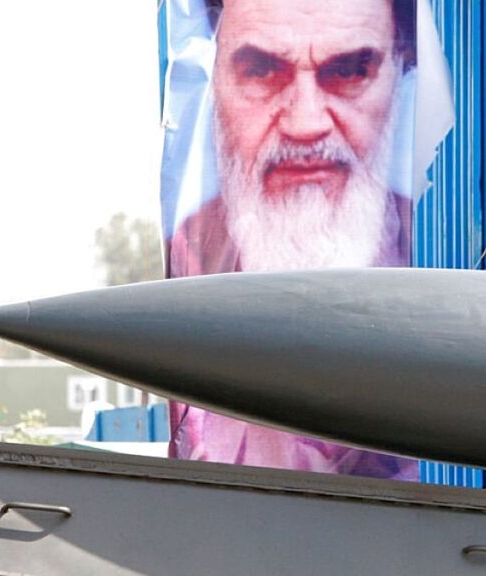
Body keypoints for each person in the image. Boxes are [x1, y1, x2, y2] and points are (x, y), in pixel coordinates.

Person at [166, 0, 419, 481]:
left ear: (400, 70)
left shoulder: (444, 258)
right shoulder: (185, 272)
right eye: (262, 71)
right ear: (213, 81)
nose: (305, 124)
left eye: (349, 71)